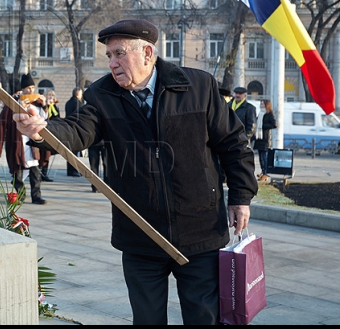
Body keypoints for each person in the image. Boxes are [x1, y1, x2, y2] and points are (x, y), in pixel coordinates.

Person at [13, 19, 257, 325]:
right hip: (140, 233)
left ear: (147, 53)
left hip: (200, 230)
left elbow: (233, 144)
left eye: (119, 54)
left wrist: (240, 196)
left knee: (203, 318)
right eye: (109, 56)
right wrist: (42, 130)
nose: (112, 63)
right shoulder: (101, 95)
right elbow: (77, 130)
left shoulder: (198, 86)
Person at [0, 74, 47, 204]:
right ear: (22, 89)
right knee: (17, 171)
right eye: (28, 88)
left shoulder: (37, 102)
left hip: (33, 142)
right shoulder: (13, 101)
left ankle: (36, 196)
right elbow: (4, 119)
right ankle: (20, 196)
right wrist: (18, 106)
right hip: (18, 141)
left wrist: (44, 106)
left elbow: (45, 119)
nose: (31, 90)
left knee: (35, 171)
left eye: (32, 87)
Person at [39, 89, 60, 182]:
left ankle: (44, 173)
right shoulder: (42, 106)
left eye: (52, 96)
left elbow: (57, 118)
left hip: (52, 131)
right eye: (49, 95)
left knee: (47, 153)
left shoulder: (55, 107)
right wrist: (46, 105)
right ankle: (38, 173)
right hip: (42, 131)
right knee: (41, 153)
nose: (51, 97)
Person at [253, 99, 277, 181]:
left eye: (262, 104)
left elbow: (274, 124)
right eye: (260, 104)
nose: (261, 105)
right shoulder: (260, 114)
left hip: (265, 137)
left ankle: (265, 173)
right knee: (260, 157)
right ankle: (263, 172)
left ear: (266, 105)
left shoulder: (269, 114)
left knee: (264, 156)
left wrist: (262, 125)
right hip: (259, 138)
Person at [64, 87, 84, 177]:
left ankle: (70, 170)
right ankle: (74, 170)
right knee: (75, 151)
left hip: (68, 128)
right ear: (77, 94)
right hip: (75, 129)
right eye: (81, 93)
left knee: (70, 151)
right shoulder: (78, 103)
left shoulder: (68, 102)